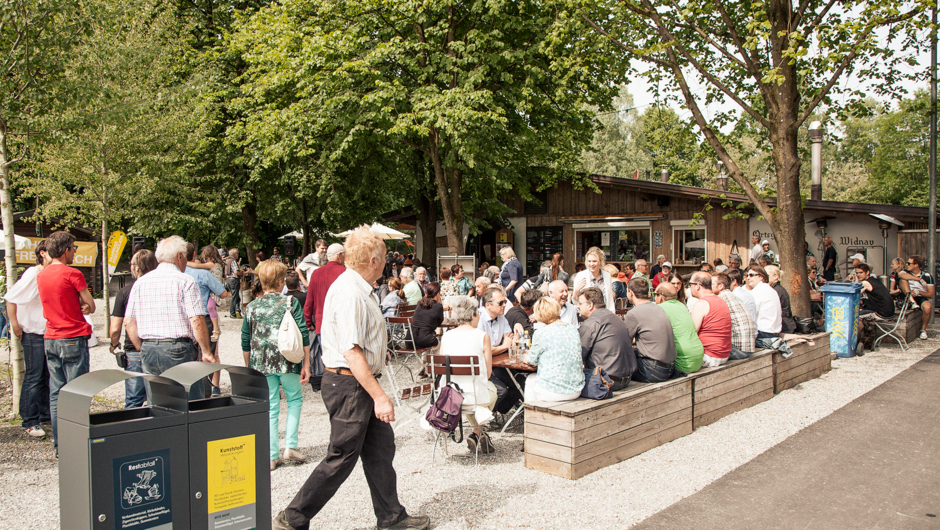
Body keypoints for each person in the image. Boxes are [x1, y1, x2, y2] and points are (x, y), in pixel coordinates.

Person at [274, 227, 429, 530]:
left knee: (380, 450)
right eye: (383, 258)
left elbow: (360, 343)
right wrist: (380, 396)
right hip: (349, 384)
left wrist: (378, 353)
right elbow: (351, 352)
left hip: (356, 381)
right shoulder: (350, 292)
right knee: (341, 457)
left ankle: (391, 517)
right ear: (373, 260)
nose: (386, 263)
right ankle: (292, 518)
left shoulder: (359, 287)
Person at [125, 236, 215, 400]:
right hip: (178, 348)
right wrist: (207, 352)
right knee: (190, 401)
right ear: (180, 256)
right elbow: (196, 320)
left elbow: (129, 321)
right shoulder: (186, 281)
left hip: (149, 348)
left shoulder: (140, 283)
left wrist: (142, 347)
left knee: (159, 402)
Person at [242, 260, 311, 470]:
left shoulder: (252, 306)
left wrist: (249, 366)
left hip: (261, 363)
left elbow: (246, 339)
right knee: (295, 399)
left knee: (271, 407)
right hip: (288, 360)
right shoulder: (290, 302)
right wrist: (306, 362)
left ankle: (271, 456)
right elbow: (302, 332)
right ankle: (290, 445)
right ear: (281, 281)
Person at [36, 231, 96, 454]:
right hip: (72, 336)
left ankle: (61, 445)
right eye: (73, 248)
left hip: (51, 337)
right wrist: (85, 305)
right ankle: (79, 443)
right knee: (78, 392)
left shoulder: (41, 275)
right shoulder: (73, 274)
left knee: (56, 393)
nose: (74, 252)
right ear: (65, 251)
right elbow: (91, 304)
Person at [439, 296, 497, 454]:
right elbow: (488, 373)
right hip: (475, 397)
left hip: (450, 398)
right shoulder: (482, 336)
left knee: (475, 395)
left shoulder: (446, 336)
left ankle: (478, 433)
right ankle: (478, 432)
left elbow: (442, 365)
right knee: (493, 391)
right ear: (472, 315)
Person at [6, 241, 50, 437]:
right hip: (33, 332)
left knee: (45, 376)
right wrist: (14, 323)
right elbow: (11, 297)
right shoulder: (34, 273)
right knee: (34, 376)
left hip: (46, 331)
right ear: (43, 253)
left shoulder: (50, 274)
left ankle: (44, 414)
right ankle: (29, 420)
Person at [110, 249, 158, 409]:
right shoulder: (160, 289)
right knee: (157, 399)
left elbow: (116, 327)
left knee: (133, 400)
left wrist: (114, 343)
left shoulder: (125, 292)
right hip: (156, 346)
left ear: (137, 268)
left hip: (133, 349)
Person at [523, 297, 585, 403]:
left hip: (552, 390)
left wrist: (525, 356)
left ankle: (531, 415)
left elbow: (531, 361)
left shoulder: (541, 333)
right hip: (576, 388)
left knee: (530, 380)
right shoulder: (572, 329)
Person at [303, 243, 346, 391]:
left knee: (325, 356)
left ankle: (328, 384)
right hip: (341, 322)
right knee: (342, 355)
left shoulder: (316, 274)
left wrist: (307, 320)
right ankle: (341, 384)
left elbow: (310, 300)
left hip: (321, 323)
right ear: (340, 256)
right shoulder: (345, 273)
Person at [576, 287, 636, 390]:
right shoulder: (616, 318)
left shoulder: (590, 324)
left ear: (590, 305)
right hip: (627, 378)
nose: (577, 306)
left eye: (580, 303)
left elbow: (578, 356)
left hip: (606, 381)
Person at [624, 278, 677, 382]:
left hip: (653, 370)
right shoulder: (658, 308)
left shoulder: (633, 313)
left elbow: (625, 344)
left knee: (618, 366)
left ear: (630, 292)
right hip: (670, 367)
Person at [477, 285, 519, 414]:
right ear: (488, 305)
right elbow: (482, 350)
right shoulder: (479, 318)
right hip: (481, 366)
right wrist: (503, 346)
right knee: (502, 390)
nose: (504, 305)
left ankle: (495, 412)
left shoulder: (501, 317)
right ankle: (485, 416)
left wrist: (498, 347)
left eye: (505, 302)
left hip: (496, 363)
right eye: (500, 303)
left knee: (518, 386)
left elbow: (510, 338)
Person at [654, 283, 704, 374]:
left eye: (655, 294)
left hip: (682, 362)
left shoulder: (659, 308)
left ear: (660, 296)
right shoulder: (682, 306)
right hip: (698, 356)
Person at [688, 272, 732, 368]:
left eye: (690, 284)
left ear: (698, 286)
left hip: (709, 356)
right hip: (723, 354)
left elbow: (691, 332)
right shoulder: (720, 300)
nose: (689, 288)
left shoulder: (701, 304)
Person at [712, 273, 757, 359]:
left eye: (712, 284)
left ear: (721, 286)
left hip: (737, 350)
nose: (708, 286)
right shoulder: (732, 296)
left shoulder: (721, 299)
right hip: (746, 348)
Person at [897, 255, 934, 339]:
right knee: (903, 280)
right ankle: (912, 302)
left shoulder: (927, 276)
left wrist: (919, 292)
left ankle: (923, 330)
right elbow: (900, 275)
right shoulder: (905, 272)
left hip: (920, 297)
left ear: (916, 265)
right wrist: (919, 279)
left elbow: (931, 294)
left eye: (909, 263)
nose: (907, 264)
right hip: (907, 297)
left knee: (928, 307)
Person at [745, 264, 782, 339]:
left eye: (752, 275)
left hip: (763, 333)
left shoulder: (758, 291)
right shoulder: (771, 290)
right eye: (747, 275)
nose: (748, 278)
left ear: (761, 277)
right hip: (774, 332)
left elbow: (750, 315)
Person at [408, 282, 445, 350]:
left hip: (409, 339)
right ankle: (434, 360)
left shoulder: (420, 303)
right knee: (439, 345)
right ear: (437, 294)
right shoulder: (438, 306)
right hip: (424, 340)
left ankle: (423, 361)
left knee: (428, 339)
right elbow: (440, 322)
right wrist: (440, 302)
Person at [765, 265, 797, 333]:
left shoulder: (777, 291)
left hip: (784, 327)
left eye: (767, 276)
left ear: (776, 276)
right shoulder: (773, 289)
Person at [224, 248, 248, 318]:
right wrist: (242, 273)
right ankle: (232, 313)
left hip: (228, 280)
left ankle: (238, 311)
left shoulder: (227, 260)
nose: (238, 255)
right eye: (237, 253)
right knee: (235, 297)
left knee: (236, 297)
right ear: (234, 254)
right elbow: (236, 272)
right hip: (233, 280)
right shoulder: (233, 261)